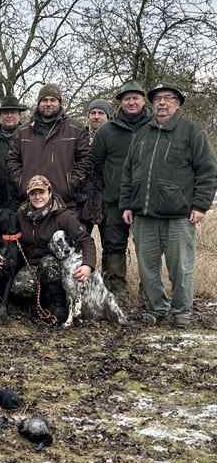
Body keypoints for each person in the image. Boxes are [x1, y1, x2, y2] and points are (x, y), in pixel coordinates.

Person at [120, 83, 217, 327]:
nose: (162, 103)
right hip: (144, 215)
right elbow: (129, 172)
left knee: (181, 268)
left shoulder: (192, 132)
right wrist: (127, 204)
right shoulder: (142, 134)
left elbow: (207, 172)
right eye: (158, 99)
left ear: (178, 103)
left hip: (179, 216)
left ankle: (182, 311)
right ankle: (157, 309)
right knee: (147, 269)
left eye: (169, 98)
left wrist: (200, 206)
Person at [0, 175, 95, 324]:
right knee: (19, 286)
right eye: (33, 193)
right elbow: (1, 230)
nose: (38, 197)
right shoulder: (21, 213)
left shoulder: (63, 216)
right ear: (28, 195)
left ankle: (58, 305)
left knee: (47, 263)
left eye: (41, 192)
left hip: (54, 266)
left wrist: (87, 265)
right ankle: (37, 305)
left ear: (49, 192)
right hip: (31, 265)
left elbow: (86, 240)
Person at [93, 81, 151, 300]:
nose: (131, 102)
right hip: (115, 201)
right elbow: (96, 165)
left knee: (147, 249)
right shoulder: (107, 131)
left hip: (147, 201)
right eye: (127, 98)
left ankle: (149, 295)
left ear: (143, 100)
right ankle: (115, 295)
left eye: (135, 98)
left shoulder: (154, 126)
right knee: (113, 246)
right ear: (120, 102)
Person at [7, 83, 92, 208]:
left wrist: (70, 184)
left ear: (59, 102)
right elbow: (12, 160)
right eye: (44, 100)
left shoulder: (75, 129)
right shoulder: (22, 131)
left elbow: (85, 160)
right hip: (31, 201)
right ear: (38, 103)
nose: (48, 104)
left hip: (65, 202)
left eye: (53, 100)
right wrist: (22, 183)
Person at [76, 98, 113, 234]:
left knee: (112, 246)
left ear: (108, 117)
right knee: (79, 244)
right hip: (82, 200)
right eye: (93, 113)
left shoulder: (116, 138)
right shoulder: (78, 138)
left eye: (101, 113)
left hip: (108, 200)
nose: (96, 117)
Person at [0, 95, 28, 213]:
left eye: (13, 112)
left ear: (19, 115)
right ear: (0, 116)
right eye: (5, 112)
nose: (9, 116)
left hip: (25, 197)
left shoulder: (30, 137)